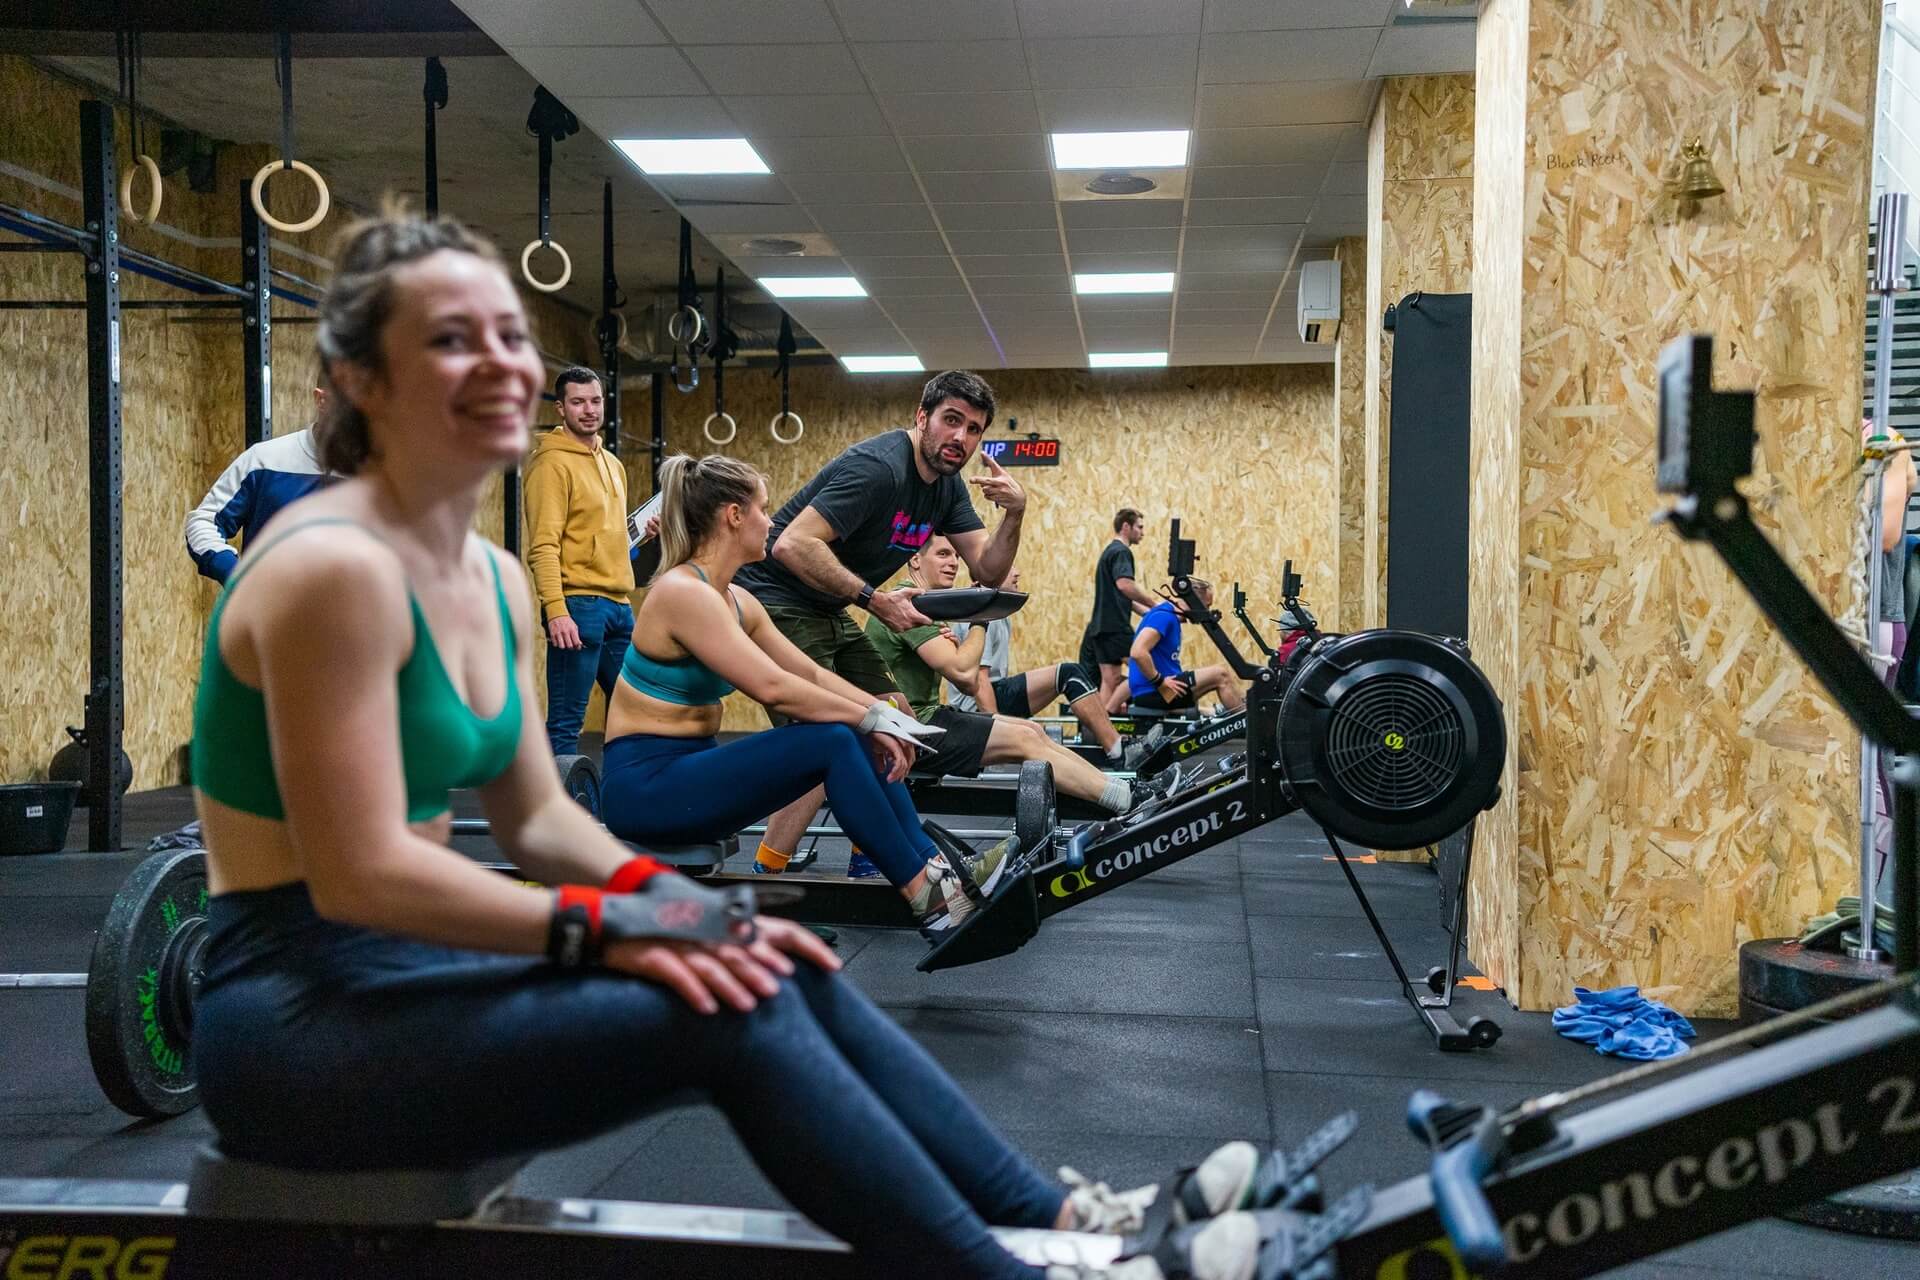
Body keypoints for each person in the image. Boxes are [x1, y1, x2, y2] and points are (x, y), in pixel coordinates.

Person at [184, 207, 1276, 1280]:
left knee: (773, 960)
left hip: (414, 978)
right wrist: (639, 922)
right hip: (300, 1018)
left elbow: (541, 820)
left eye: (510, 334)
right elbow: (367, 872)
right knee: (732, 1004)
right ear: (363, 381)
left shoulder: (491, 580)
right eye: (451, 338)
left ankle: (1067, 1217)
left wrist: (704, 912)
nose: (504, 363)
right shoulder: (321, 568)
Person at [597, 453, 1014, 939]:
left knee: (849, 733)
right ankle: (929, 897)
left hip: (688, 777)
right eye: (762, 509)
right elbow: (774, 687)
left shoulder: (739, 600)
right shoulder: (682, 593)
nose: (771, 522)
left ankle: (937, 872)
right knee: (836, 737)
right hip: (645, 788)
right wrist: (872, 717)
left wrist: (882, 716)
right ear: (734, 516)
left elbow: (811, 675)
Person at [734, 370, 1027, 877]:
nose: (961, 437)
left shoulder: (948, 489)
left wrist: (1015, 514)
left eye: (974, 428)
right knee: (831, 736)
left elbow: (988, 569)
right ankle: (769, 870)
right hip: (773, 599)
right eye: (951, 421)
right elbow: (791, 544)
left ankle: (883, 858)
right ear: (922, 417)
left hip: (827, 606)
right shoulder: (879, 467)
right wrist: (875, 600)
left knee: (897, 720)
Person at [865, 536, 1157, 842]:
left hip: (926, 718)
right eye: (942, 554)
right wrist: (983, 614)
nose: (953, 562)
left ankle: (1123, 792)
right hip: (911, 731)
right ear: (915, 559)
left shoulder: (922, 605)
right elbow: (965, 675)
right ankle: (1128, 802)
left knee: (1032, 732)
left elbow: (957, 664)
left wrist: (959, 645)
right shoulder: (908, 604)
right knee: (1023, 739)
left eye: (955, 556)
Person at [524, 366, 634, 756]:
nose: (589, 410)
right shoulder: (550, 465)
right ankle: (557, 815)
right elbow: (543, 546)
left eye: (595, 400)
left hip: (620, 607)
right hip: (578, 606)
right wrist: (556, 610)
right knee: (567, 723)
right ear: (560, 408)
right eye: (578, 402)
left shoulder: (613, 464)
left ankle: (625, 806)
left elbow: (608, 538)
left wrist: (641, 537)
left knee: (637, 713)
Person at [947, 566, 1124, 763]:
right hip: (974, 710)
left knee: (1070, 676)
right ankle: (1118, 751)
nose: (1016, 572)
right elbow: (980, 681)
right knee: (1069, 674)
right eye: (1008, 568)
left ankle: (1117, 745)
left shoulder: (998, 614)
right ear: (988, 574)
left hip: (995, 695)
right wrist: (995, 732)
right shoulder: (980, 614)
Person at [184, 387, 331, 583]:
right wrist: (237, 577)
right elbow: (204, 522)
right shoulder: (264, 460)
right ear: (321, 399)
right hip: (269, 611)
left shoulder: (379, 472)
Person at [1080, 509, 1159, 713]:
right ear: (1126, 526)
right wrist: (1154, 604)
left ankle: (1100, 731)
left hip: (1103, 628)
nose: (1143, 532)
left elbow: (1123, 597)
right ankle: (1110, 717)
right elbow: (1125, 586)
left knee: (1110, 680)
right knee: (1142, 671)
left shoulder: (1109, 551)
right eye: (1139, 527)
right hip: (1115, 628)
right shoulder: (1122, 552)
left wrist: (1150, 614)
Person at [1127, 581, 1247, 715]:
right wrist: (1160, 681)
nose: (1206, 611)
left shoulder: (1169, 616)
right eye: (1206, 606)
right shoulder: (1164, 616)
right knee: (1220, 675)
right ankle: (1248, 726)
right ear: (1193, 602)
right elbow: (1137, 652)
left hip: (1161, 690)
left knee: (1213, 681)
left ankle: (1239, 712)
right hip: (1155, 692)